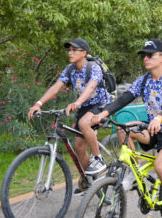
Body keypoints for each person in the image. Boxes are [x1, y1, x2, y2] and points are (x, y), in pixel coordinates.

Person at [92, 39, 162, 218]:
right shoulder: (143, 80)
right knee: (124, 128)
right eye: (144, 55)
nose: (145, 58)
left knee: (161, 167)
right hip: (153, 129)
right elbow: (124, 98)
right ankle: (134, 173)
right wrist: (103, 113)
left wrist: (160, 117)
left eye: (150, 55)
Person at [28, 38, 109, 195]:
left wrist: (77, 102)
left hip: (100, 105)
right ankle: (91, 181)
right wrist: (39, 103)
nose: (70, 53)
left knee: (85, 123)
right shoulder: (70, 69)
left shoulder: (94, 67)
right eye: (69, 50)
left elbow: (91, 86)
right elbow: (56, 87)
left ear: (84, 53)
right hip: (84, 106)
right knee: (79, 146)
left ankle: (98, 158)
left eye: (74, 50)